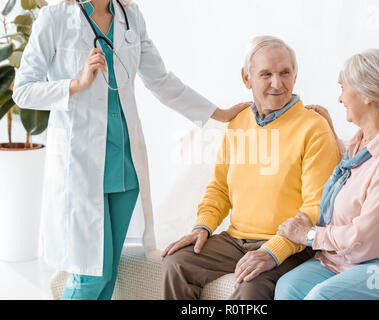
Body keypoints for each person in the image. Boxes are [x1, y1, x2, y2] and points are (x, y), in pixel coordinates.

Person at [12, 0, 248, 300]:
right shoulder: (55, 18)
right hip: (81, 167)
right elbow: (23, 90)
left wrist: (218, 113)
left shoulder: (130, 16)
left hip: (125, 165)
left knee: (109, 275)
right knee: (90, 277)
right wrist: (76, 83)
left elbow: (161, 80)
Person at [160, 35, 340, 300]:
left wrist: (273, 250)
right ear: (247, 78)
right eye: (266, 74)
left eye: (285, 73)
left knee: (252, 287)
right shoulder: (239, 121)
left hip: (292, 245)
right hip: (235, 240)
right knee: (176, 263)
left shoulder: (313, 126)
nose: (277, 84)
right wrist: (202, 227)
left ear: (295, 75)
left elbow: (317, 207)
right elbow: (220, 188)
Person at [274, 49, 379, 300]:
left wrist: (309, 235)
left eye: (343, 88)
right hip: (347, 260)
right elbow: (355, 176)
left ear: (366, 95)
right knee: (287, 287)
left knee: (322, 297)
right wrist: (331, 134)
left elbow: (367, 241)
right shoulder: (361, 141)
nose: (339, 99)